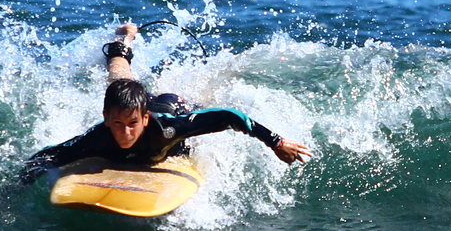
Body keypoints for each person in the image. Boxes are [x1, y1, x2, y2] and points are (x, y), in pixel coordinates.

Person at [18, 23, 311, 185]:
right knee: (117, 81)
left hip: (171, 108)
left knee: (192, 98)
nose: (125, 133)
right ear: (106, 119)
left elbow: (228, 116)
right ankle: (122, 43)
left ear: (144, 119)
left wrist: (275, 141)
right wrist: (15, 187)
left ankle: (224, 68)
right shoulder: (99, 136)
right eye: (117, 125)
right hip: (131, 103)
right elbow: (47, 157)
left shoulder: (167, 129)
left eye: (132, 125)